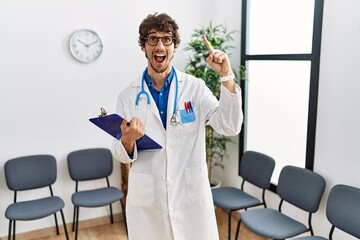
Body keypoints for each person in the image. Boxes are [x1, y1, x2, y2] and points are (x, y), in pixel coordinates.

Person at [111, 12, 243, 240]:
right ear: (144, 46)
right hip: (148, 201)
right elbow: (120, 153)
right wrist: (128, 139)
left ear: (174, 46)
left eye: (167, 39)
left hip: (189, 197)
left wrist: (226, 77)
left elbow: (229, 126)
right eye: (152, 39)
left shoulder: (195, 88)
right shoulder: (127, 96)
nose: (160, 45)